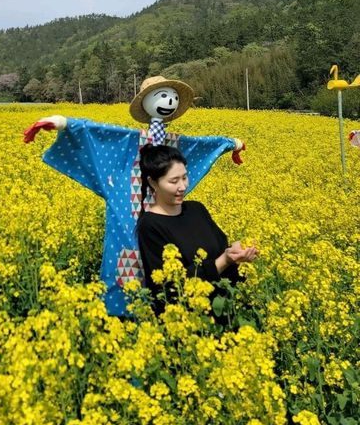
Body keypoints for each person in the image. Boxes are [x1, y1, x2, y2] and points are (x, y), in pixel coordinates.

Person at [24, 75, 245, 317]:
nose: (168, 102)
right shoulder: (127, 143)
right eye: (162, 96)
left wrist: (230, 144)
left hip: (172, 243)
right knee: (128, 297)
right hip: (128, 238)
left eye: (172, 97)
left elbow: (201, 145)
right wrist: (63, 123)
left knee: (171, 288)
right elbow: (96, 134)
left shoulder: (177, 147)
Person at [136, 144, 258, 311]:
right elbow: (171, 286)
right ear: (153, 183)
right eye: (174, 181)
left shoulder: (196, 209)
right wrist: (225, 261)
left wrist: (238, 253)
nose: (183, 187)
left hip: (225, 308)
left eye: (184, 177)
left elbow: (222, 250)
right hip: (188, 319)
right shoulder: (150, 225)